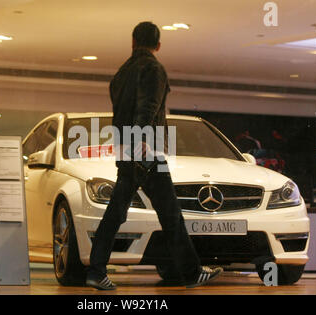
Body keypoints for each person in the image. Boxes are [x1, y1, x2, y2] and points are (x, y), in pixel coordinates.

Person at [85, 21, 223, 290]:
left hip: (128, 149)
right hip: (146, 151)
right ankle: (192, 273)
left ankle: (96, 270)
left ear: (133, 42)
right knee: (170, 214)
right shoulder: (153, 69)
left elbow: (120, 114)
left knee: (117, 212)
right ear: (158, 45)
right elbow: (147, 109)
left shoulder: (121, 73)